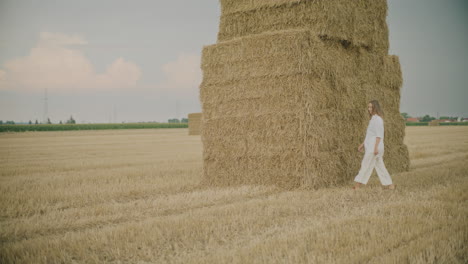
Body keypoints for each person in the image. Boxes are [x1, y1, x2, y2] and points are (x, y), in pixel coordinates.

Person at [353, 100, 396, 190]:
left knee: (365, 164)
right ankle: (390, 185)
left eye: (371, 107)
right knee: (380, 166)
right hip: (371, 146)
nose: (369, 109)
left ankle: (357, 186)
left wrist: (375, 148)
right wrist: (362, 145)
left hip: (374, 147)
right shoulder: (373, 119)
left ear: (376, 108)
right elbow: (370, 135)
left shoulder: (378, 119)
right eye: (368, 107)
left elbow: (379, 135)